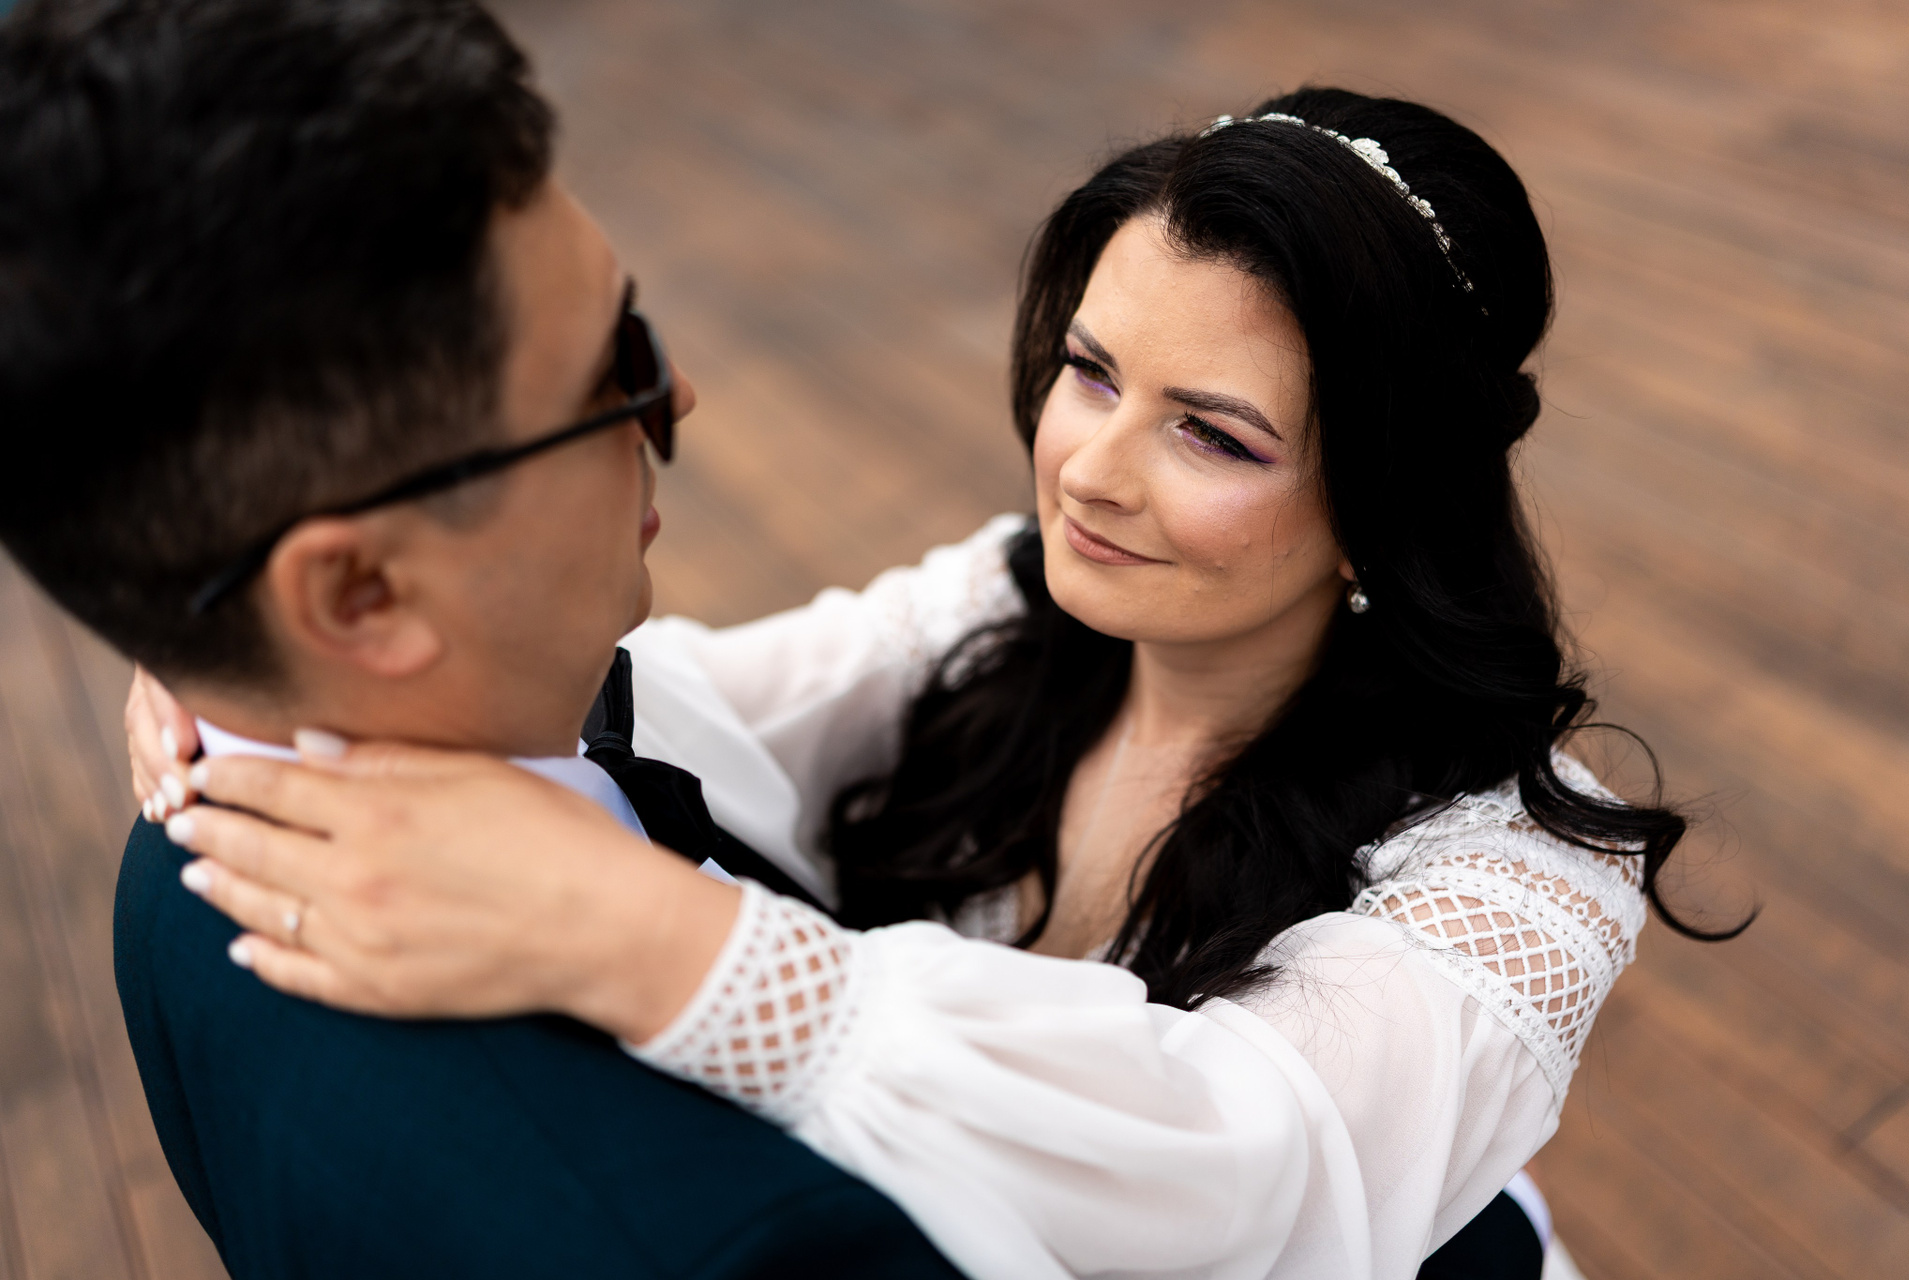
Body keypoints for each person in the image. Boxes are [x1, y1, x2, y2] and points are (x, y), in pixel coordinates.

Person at [128, 77, 1744, 1280]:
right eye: (1092, 370)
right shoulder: (1008, 601)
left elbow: (1246, 1160)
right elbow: (693, 698)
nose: (1089, 470)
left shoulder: (1525, 870)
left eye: (1211, 433)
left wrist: (680, 954)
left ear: (1382, 502)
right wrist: (297, 650)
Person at [0, 2, 966, 1277]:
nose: (676, 394)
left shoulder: (181, 851)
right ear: (360, 596)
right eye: (615, 366)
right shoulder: (736, 1245)